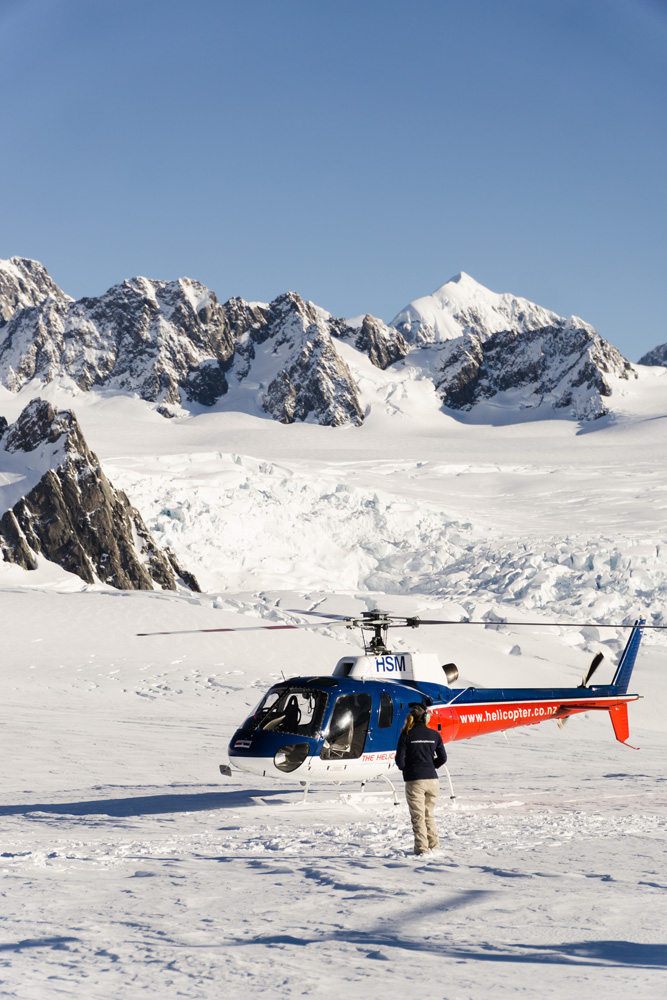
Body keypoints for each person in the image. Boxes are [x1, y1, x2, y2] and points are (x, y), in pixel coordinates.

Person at [396, 703, 447, 856]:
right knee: (429, 815)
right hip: (433, 780)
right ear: (426, 717)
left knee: (418, 817)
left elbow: (400, 760)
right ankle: (435, 847)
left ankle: (422, 850)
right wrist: (431, 766)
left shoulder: (406, 734)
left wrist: (408, 769)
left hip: (414, 781)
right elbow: (443, 758)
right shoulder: (434, 735)